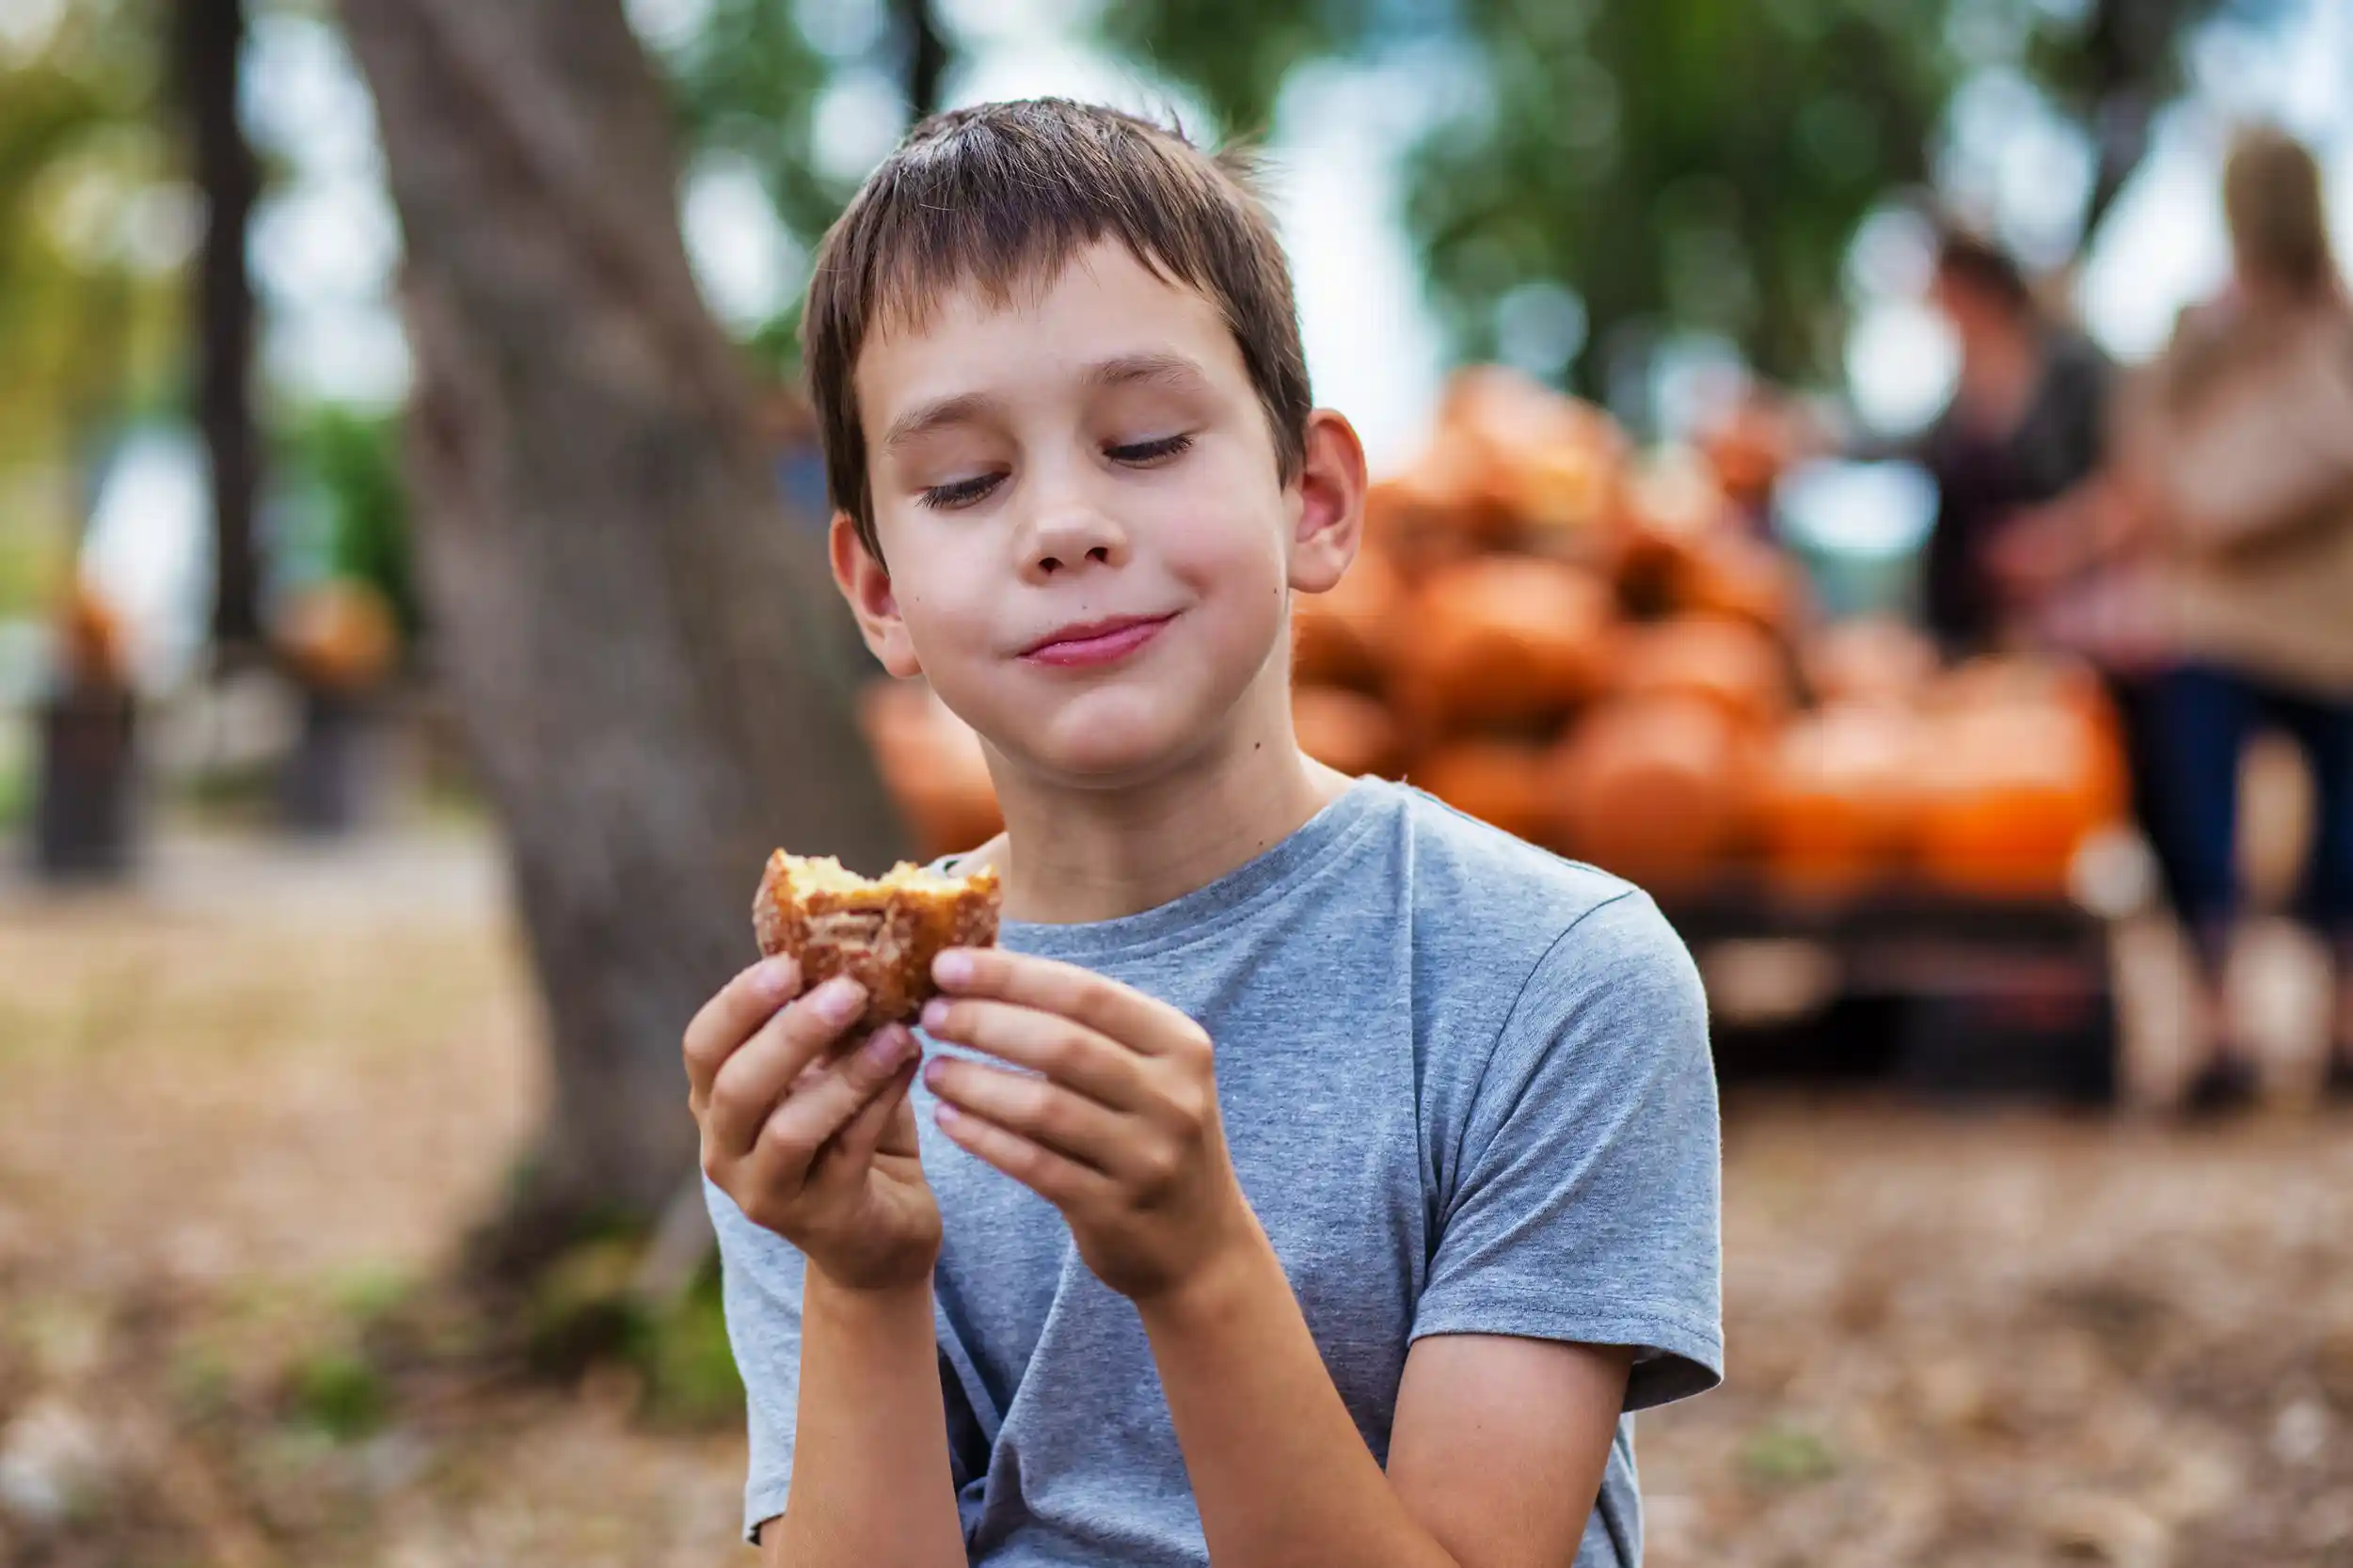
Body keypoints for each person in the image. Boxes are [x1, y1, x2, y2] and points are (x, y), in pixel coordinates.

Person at [680, 100, 1722, 1567]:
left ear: (1314, 498)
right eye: (966, 481)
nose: (1063, 524)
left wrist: (1199, 1265)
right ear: (878, 593)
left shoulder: (1547, 977)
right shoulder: (841, 1053)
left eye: (1147, 440)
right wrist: (858, 1272)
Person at [2105, 127, 2353, 1112]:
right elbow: (2138, 445)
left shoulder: (2319, 327)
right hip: (2237, 612)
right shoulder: (2203, 333)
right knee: (2209, 821)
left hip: (2304, 616)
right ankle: (2230, 1025)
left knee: (2308, 826)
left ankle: (2276, 1023)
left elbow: (2140, 451)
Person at [1907, 226, 2117, 658]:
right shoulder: (1957, 402)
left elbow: (2132, 485)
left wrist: (2055, 544)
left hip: (2077, 625)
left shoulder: (2076, 371)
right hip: (1981, 637)